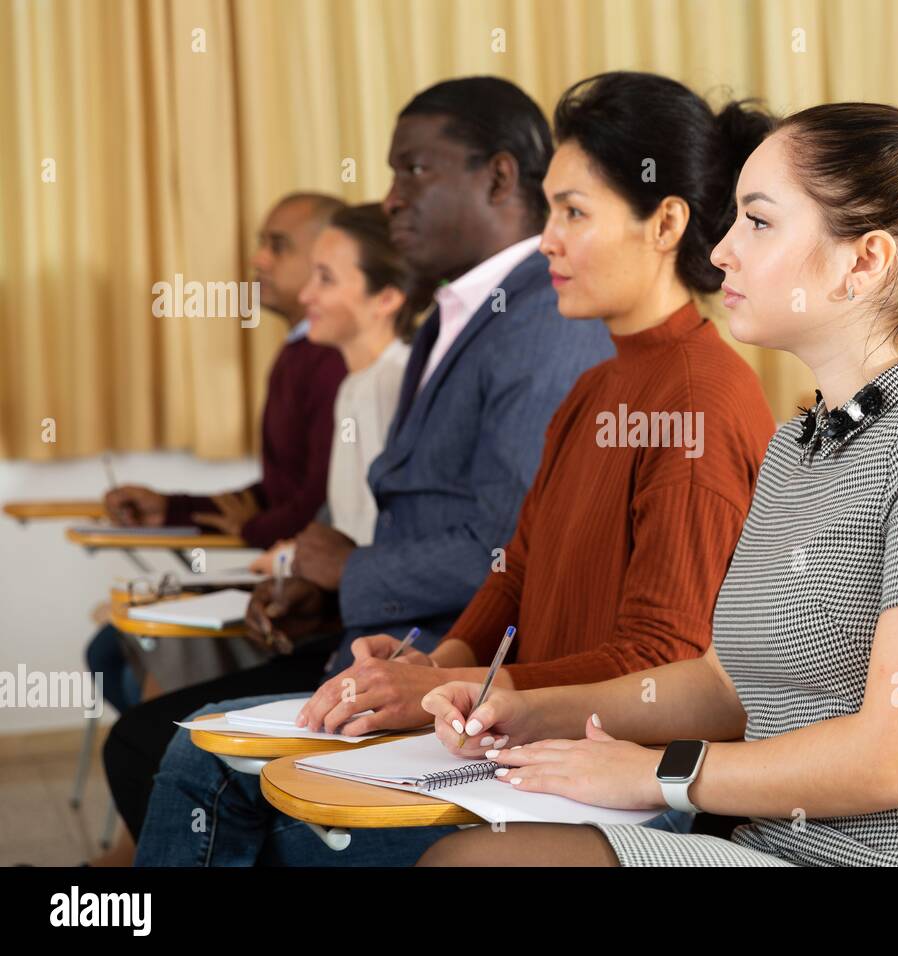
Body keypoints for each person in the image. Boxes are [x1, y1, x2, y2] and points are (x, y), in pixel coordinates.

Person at [132, 70, 777, 867]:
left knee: (283, 833)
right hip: (521, 738)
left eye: (574, 213)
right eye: (550, 212)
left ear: (665, 224)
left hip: (605, 776)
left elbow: (660, 662)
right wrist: (432, 664)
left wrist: (494, 691)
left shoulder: (700, 400)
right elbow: (517, 569)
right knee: (207, 764)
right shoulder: (598, 383)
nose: (547, 241)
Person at [419, 105, 898, 867]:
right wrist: (526, 712)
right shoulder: (805, 441)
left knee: (478, 864)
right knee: (476, 851)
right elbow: (730, 688)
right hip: (779, 846)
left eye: (758, 223)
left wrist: (659, 775)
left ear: (865, 262)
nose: (721, 250)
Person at [85, 193, 349, 718]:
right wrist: (173, 508)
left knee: (134, 665)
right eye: (260, 244)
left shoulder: (334, 360)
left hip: (322, 603)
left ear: (329, 261)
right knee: (108, 654)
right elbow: (277, 493)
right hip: (292, 571)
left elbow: (319, 505)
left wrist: (255, 527)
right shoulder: (299, 351)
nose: (258, 261)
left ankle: (178, 766)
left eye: (277, 246)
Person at [251, 201, 419, 576]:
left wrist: (286, 561)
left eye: (325, 279)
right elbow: (345, 525)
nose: (307, 294)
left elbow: (380, 537)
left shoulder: (390, 384)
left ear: (387, 298)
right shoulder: (356, 384)